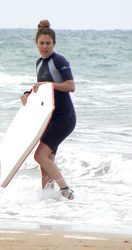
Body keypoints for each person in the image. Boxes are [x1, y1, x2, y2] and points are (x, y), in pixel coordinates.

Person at [21, 20, 76, 200]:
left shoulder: (59, 60)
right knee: (46, 161)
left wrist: (48, 84)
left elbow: (70, 86)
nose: (44, 47)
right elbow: (43, 88)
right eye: (41, 43)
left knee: (40, 155)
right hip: (51, 117)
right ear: (36, 44)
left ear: (54, 44)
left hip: (64, 116)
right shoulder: (39, 63)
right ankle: (48, 201)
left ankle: (65, 188)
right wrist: (28, 93)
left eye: (48, 43)